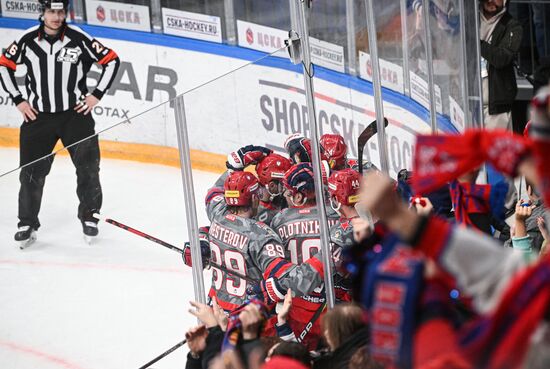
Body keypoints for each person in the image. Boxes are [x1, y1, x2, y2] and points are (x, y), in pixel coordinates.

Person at [0, 0, 120, 246]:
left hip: (75, 115)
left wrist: (95, 95)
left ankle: (90, 217)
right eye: (51, 12)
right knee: (31, 173)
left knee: (88, 168)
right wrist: (19, 100)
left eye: (60, 12)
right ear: (42, 13)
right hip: (38, 118)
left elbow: (111, 60)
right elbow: (4, 66)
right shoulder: (27, 39)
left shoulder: (78, 38)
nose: (56, 16)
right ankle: (27, 223)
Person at [204, 170, 326, 312]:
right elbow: (286, 277)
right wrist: (324, 259)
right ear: (255, 198)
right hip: (247, 316)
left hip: (216, 308)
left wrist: (202, 237)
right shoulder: (260, 236)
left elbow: (212, 194)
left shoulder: (217, 215)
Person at [270, 162, 340, 350]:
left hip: (295, 309)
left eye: (289, 192)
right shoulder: (337, 216)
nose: (286, 196)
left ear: (300, 196)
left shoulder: (279, 219)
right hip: (332, 308)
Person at [479, 0, 522, 130]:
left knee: (494, 150)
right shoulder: (469, 20)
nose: (491, 0)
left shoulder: (513, 26)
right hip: (470, 103)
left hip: (497, 108)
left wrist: (476, 42)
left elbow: (501, 58)